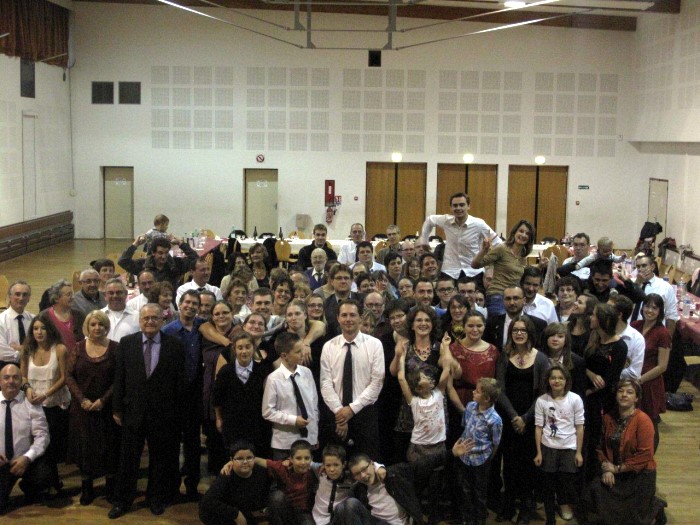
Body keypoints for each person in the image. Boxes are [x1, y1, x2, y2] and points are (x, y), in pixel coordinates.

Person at [109, 303, 186, 519]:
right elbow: (119, 378)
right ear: (140, 321)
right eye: (146, 318)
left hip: (163, 414)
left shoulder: (175, 346)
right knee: (128, 459)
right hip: (133, 411)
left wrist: (176, 413)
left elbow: (179, 383)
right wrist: (117, 408)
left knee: (160, 459)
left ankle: (155, 498)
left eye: (154, 318)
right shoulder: (126, 344)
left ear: (162, 320)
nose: (150, 321)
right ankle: (122, 501)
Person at [494, 315, 550, 525]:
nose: (519, 333)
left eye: (523, 330)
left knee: (528, 466)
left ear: (530, 333)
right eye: (515, 330)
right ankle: (508, 505)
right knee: (509, 464)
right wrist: (513, 417)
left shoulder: (540, 358)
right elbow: (499, 389)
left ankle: (526, 508)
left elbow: (543, 393)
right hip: (508, 418)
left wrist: (525, 418)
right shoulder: (504, 356)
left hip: (531, 418)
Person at [389, 306, 459, 463]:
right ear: (412, 325)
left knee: (436, 461)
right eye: (419, 320)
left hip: (435, 408)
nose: (423, 323)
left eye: (427, 320)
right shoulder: (405, 346)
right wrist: (398, 354)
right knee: (408, 458)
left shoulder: (440, 347)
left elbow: (455, 373)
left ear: (433, 325)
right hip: (410, 407)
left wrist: (447, 351)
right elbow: (393, 372)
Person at [584, 379, 657, 525]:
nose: (624, 395)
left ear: (636, 398)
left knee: (634, 519)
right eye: (620, 391)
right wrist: (606, 469)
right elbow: (600, 447)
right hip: (614, 471)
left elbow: (645, 455)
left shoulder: (643, 420)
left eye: (629, 392)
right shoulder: (608, 418)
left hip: (638, 474)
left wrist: (617, 469)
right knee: (593, 492)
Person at [65, 310, 119, 505]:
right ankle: (87, 488)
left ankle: (110, 487)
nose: (97, 328)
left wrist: (103, 401)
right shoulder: (78, 348)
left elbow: (119, 379)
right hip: (83, 409)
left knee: (109, 448)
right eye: (93, 324)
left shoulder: (115, 348)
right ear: (87, 327)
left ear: (106, 327)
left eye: (101, 324)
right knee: (85, 449)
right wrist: (82, 400)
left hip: (107, 408)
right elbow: (68, 375)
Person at [320, 299, 384, 458]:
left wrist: (351, 409)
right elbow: (325, 383)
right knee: (337, 464)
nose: (348, 319)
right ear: (338, 318)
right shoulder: (328, 346)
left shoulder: (375, 345)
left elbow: (377, 383)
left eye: (352, 315)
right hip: (336, 414)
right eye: (344, 315)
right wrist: (340, 413)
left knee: (366, 462)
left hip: (365, 413)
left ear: (360, 317)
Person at [397, 343, 451, 525]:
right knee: (418, 487)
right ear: (418, 387)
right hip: (419, 450)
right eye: (424, 377)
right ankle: (415, 516)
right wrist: (402, 356)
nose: (429, 377)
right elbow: (401, 378)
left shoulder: (439, 394)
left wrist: (445, 347)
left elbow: (447, 369)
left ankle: (434, 517)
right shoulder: (413, 401)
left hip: (438, 448)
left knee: (435, 488)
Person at [20, 313, 71, 493]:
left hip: (56, 404)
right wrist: (27, 389)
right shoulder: (27, 350)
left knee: (52, 446)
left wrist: (46, 394)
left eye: (43, 328)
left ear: (50, 330)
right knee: (39, 445)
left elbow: (65, 377)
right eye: (35, 328)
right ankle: (49, 483)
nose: (39, 332)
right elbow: (23, 376)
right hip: (34, 404)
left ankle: (51, 482)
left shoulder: (60, 349)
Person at [163, 290, 206, 500]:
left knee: (193, 442)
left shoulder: (203, 327)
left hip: (195, 393)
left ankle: (192, 486)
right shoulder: (168, 331)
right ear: (179, 304)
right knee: (171, 442)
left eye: (194, 303)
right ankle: (172, 487)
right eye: (187, 302)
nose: (190, 306)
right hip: (174, 393)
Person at [334, 449, 448, 525]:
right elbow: (338, 474)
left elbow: (422, 464)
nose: (363, 475)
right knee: (342, 507)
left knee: (349, 503)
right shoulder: (360, 488)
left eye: (364, 469)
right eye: (357, 474)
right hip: (375, 522)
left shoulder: (394, 474)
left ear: (372, 464)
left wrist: (451, 453)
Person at [533, 364, 585, 525]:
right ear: (548, 380)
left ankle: (564, 506)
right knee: (548, 486)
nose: (557, 381)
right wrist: (539, 452)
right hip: (548, 447)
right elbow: (539, 427)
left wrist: (578, 452)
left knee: (565, 483)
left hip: (568, 448)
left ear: (566, 381)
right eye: (553, 378)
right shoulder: (542, 400)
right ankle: (550, 519)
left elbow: (580, 427)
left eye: (560, 378)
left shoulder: (575, 399)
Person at [583, 303, 627, 483]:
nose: (591, 318)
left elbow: (609, 379)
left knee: (596, 439)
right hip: (587, 394)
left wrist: (588, 391)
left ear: (603, 320)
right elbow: (582, 363)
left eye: (594, 315)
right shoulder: (593, 337)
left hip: (602, 399)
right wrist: (590, 374)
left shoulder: (619, 346)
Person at [0, 364, 51, 515]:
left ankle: (29, 487)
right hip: (1, 463)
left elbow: (42, 435)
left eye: (15, 377)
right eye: (6, 377)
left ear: (21, 381)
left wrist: (27, 457)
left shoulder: (30, 402)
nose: (11, 381)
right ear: (0, 381)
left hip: (25, 460)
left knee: (44, 476)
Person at [420, 192, 501, 286]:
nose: (458, 208)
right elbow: (429, 220)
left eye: (462, 205)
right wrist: (424, 241)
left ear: (468, 206)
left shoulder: (478, 224)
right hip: (450, 271)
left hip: (473, 272)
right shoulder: (446, 221)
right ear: (451, 208)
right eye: (455, 205)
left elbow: (498, 242)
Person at [451, 377, 502, 525]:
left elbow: (495, 443)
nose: (473, 392)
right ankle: (466, 519)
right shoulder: (470, 407)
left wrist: (487, 458)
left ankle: (479, 519)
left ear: (486, 398)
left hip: (481, 460)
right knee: (465, 490)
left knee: (479, 492)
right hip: (465, 457)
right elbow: (464, 426)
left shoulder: (495, 419)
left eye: (477, 391)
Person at [213, 331, 271, 458]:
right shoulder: (225, 371)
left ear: (253, 348)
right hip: (232, 424)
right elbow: (217, 398)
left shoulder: (262, 370)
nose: (244, 351)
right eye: (240, 348)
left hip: (256, 424)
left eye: (247, 347)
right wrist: (219, 418)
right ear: (234, 350)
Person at [263, 333, 319, 459]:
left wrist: (314, 435)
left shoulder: (307, 373)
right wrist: (293, 420)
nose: (303, 354)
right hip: (285, 443)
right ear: (284, 356)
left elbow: (313, 406)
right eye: (298, 352)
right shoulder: (274, 379)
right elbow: (267, 412)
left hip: (308, 441)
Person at [200, 301, 237, 473]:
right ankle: (216, 477)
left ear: (232, 314)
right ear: (212, 317)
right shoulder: (206, 335)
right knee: (212, 439)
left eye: (225, 312)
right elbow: (203, 327)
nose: (221, 316)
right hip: (209, 393)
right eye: (217, 313)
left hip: (231, 396)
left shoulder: (239, 334)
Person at [447, 310, 500, 431]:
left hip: (486, 408)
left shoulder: (493, 351)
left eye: (479, 325)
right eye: (470, 326)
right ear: (463, 327)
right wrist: (464, 411)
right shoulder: (453, 349)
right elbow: (449, 386)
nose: (475, 329)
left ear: (484, 326)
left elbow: (496, 385)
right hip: (458, 404)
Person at [630, 294, 671, 451]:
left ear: (660, 311)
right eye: (647, 306)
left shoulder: (662, 333)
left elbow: (662, 366)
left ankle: (649, 457)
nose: (650, 310)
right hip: (631, 379)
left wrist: (640, 380)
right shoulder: (635, 325)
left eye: (654, 308)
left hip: (649, 382)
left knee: (650, 422)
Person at [472, 219, 536, 317]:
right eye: (521, 231)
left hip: (513, 297)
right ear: (514, 232)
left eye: (527, 233)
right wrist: (484, 250)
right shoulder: (502, 249)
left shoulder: (523, 256)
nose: (523, 235)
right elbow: (475, 264)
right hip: (498, 296)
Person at [199, 440, 271, 525]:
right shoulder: (227, 474)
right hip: (222, 514)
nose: (245, 462)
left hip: (243, 510)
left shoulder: (261, 472)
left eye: (249, 458)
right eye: (240, 459)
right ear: (231, 460)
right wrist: (235, 513)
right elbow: (207, 502)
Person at [250, 440, 316, 525]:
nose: (303, 462)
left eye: (307, 458)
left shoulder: (316, 470)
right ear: (291, 459)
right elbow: (259, 461)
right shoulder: (283, 467)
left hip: (303, 512)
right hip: (285, 509)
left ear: (311, 459)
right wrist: (238, 460)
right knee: (277, 496)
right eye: (298, 458)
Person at [118, 235, 198, 290]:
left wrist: (180, 243)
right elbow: (123, 261)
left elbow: (195, 259)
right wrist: (135, 244)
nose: (164, 256)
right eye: (160, 253)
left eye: (166, 253)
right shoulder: (143, 265)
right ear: (153, 253)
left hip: (169, 303)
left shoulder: (175, 264)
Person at [484, 286, 547, 352]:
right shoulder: (491, 323)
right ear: (503, 301)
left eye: (516, 298)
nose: (512, 302)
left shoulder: (538, 325)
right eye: (508, 299)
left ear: (524, 300)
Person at [633, 254, 679, 337]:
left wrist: (668, 340)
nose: (641, 269)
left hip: (653, 333)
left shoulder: (665, 287)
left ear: (652, 267)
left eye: (644, 266)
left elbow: (671, 316)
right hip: (632, 330)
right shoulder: (633, 284)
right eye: (638, 267)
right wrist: (637, 283)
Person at [542, 323, 587, 398]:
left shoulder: (577, 362)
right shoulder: (538, 358)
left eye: (560, 336)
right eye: (552, 335)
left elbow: (580, 392)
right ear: (546, 338)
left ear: (566, 340)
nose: (555, 339)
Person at [312, 444, 353, 525]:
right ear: (323, 465)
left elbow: (366, 470)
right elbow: (306, 463)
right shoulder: (320, 471)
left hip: (339, 518)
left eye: (336, 465)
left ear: (344, 464)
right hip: (319, 519)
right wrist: (288, 461)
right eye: (328, 465)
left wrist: (377, 467)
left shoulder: (351, 478)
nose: (331, 469)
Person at [0, 280, 34, 370]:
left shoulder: (33, 319)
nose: (21, 298)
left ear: (29, 298)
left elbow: (40, 347)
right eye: (17, 294)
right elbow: (2, 352)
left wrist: (19, 348)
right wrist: (26, 354)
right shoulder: (1, 320)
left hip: (31, 368)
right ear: (10, 297)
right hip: (6, 367)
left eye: (25, 295)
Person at [44, 279, 85, 352]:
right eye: (69, 295)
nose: (72, 297)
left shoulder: (79, 316)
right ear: (56, 298)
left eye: (72, 294)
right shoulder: (44, 317)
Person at [613, 295, 645, 381]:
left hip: (622, 385)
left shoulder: (637, 339)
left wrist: (610, 372)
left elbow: (634, 373)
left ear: (619, 315)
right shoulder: (601, 331)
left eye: (609, 309)